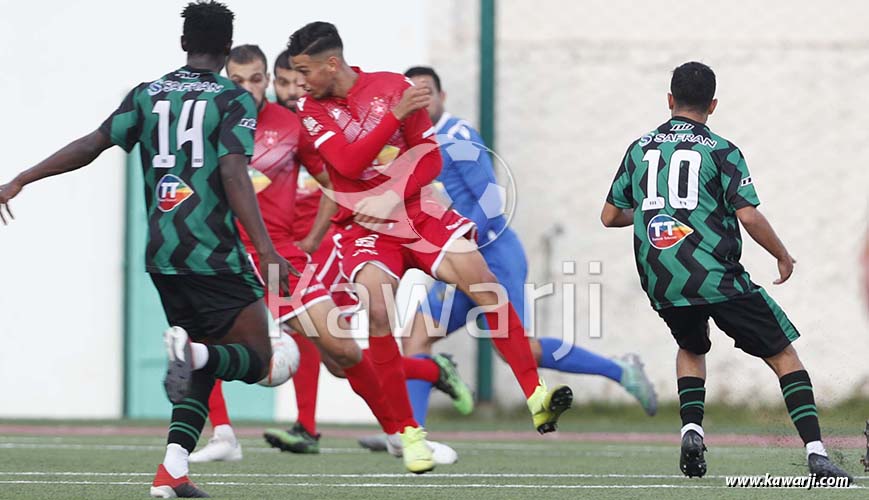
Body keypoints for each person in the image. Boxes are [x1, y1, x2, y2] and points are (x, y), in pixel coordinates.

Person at [0, 3, 295, 497]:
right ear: (227, 49)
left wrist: (21, 179)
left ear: (184, 44)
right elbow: (232, 172)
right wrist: (265, 249)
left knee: (201, 367)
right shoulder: (232, 100)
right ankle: (194, 354)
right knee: (263, 361)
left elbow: (90, 144)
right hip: (213, 255)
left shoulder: (147, 94)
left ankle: (171, 474)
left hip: (162, 257)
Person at [288, 22, 574, 475]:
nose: (300, 82)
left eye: (305, 71)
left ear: (331, 63)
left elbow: (431, 159)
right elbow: (346, 162)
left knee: (482, 280)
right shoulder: (311, 108)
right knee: (379, 312)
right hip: (365, 229)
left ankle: (536, 394)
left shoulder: (393, 87)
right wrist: (394, 116)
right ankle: (409, 434)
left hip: (416, 212)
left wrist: (392, 192)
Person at [183, 44, 468, 470]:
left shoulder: (292, 125)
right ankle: (222, 433)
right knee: (198, 337)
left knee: (343, 355)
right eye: (238, 80)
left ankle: (397, 433)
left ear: (267, 80)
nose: (249, 87)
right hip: (229, 255)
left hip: (282, 256)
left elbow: (334, 182)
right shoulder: (210, 127)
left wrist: (314, 239)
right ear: (227, 80)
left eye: (257, 78)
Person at [601, 61, 851, 482]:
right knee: (783, 353)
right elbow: (748, 216)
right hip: (715, 274)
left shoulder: (639, 148)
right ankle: (816, 452)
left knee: (692, 347)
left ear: (669, 100)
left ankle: (692, 430)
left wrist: (657, 212)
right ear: (713, 105)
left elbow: (610, 216)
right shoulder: (720, 150)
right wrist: (782, 256)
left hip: (662, 278)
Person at [399, 66, 656, 426]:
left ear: (441, 98)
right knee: (415, 338)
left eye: (426, 92)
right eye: (411, 94)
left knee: (523, 351)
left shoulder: (456, 136)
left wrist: (457, 237)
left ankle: (621, 371)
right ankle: (411, 435)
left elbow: (491, 200)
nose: (419, 100)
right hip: (456, 258)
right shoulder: (411, 142)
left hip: (492, 254)